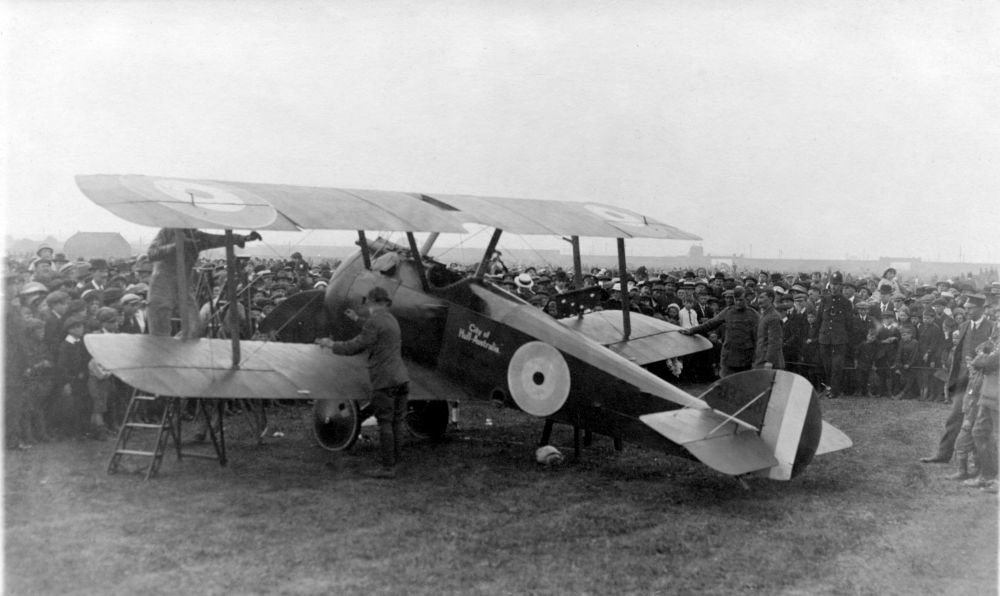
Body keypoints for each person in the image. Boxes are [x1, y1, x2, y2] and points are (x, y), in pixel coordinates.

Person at [317, 287, 410, 479]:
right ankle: (397, 461)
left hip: (384, 379)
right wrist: (356, 319)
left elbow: (355, 346)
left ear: (372, 302)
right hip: (401, 378)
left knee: (385, 422)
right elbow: (375, 329)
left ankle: (387, 467)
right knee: (397, 421)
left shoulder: (375, 321)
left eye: (368, 303)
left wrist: (331, 344)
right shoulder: (391, 319)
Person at [920, 294, 996, 464]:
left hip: (983, 383)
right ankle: (943, 454)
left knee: (979, 423)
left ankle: (980, 465)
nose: (966, 311)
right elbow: (958, 354)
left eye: (970, 308)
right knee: (954, 417)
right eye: (966, 308)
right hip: (963, 380)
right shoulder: (963, 326)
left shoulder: (992, 328)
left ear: (981, 309)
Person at [146, 228, 262, 338]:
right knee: (159, 329)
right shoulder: (167, 232)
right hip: (161, 285)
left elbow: (219, 239)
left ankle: (178, 349)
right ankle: (161, 352)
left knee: (195, 328)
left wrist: (243, 238)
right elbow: (152, 253)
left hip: (183, 284)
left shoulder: (196, 236)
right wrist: (176, 246)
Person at [681, 286, 758, 377]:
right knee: (725, 384)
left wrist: (755, 358)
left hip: (746, 357)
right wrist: (692, 330)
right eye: (736, 300)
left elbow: (758, 338)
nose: (738, 302)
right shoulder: (728, 311)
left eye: (741, 300)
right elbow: (710, 324)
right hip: (729, 355)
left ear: (746, 299)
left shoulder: (753, 315)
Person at [814, 271, 853, 398]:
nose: (834, 287)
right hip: (825, 338)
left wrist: (842, 335)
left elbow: (849, 323)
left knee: (837, 366)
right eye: (832, 284)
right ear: (829, 285)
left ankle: (835, 390)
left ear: (841, 286)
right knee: (827, 365)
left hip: (839, 339)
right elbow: (819, 319)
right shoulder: (825, 301)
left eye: (836, 284)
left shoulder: (846, 302)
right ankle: (829, 387)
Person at [754, 289, 784, 370]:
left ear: (770, 299)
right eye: (758, 298)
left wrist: (769, 361)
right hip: (761, 359)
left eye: (762, 297)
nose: (759, 301)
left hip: (768, 363)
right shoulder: (764, 315)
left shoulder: (773, 317)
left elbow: (775, 341)